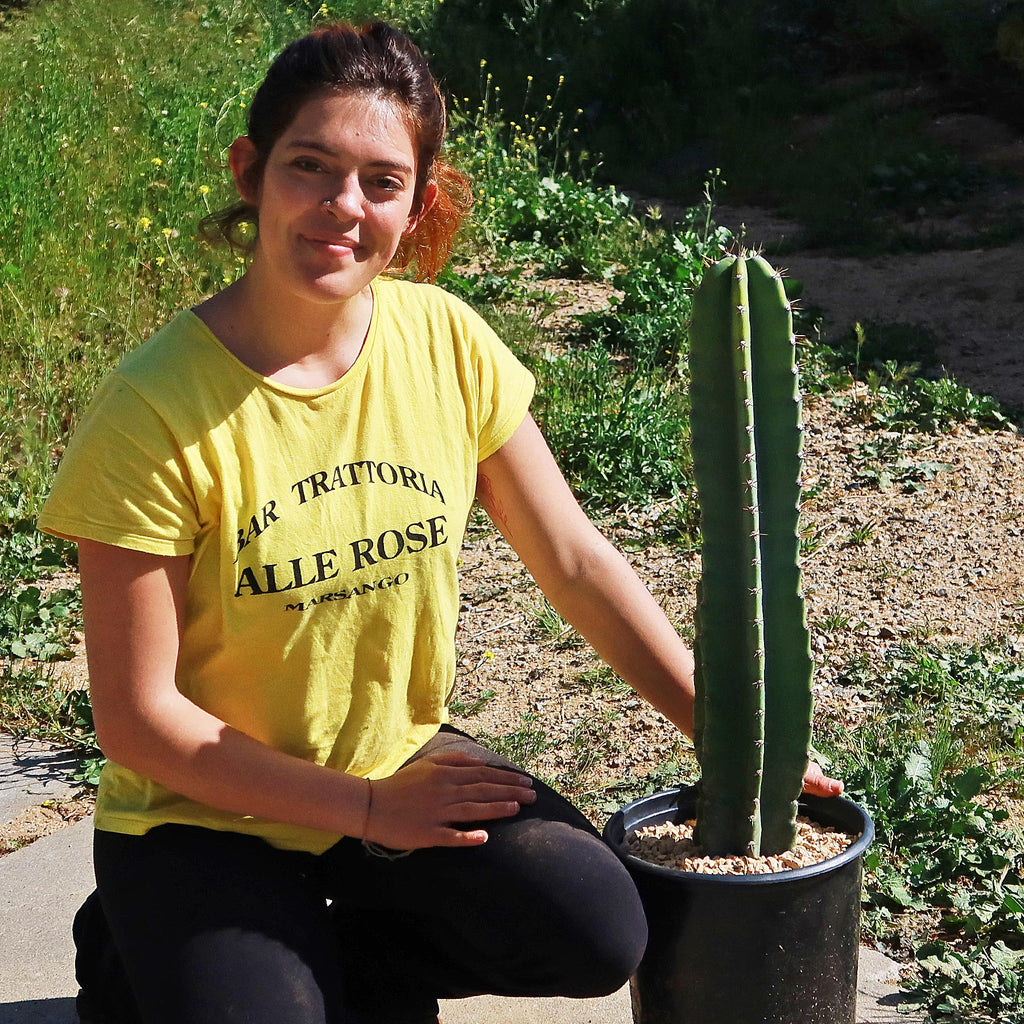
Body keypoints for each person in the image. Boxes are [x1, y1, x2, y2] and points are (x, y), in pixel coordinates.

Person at [38, 20, 843, 1024]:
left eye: (380, 181)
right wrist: (371, 810)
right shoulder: (152, 411)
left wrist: (727, 736)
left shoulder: (443, 339)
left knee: (595, 928)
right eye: (311, 167)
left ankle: (311, 961)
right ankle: (132, 945)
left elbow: (573, 559)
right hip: (205, 815)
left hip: (393, 763)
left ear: (419, 202)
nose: (342, 207)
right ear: (250, 172)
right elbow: (138, 718)